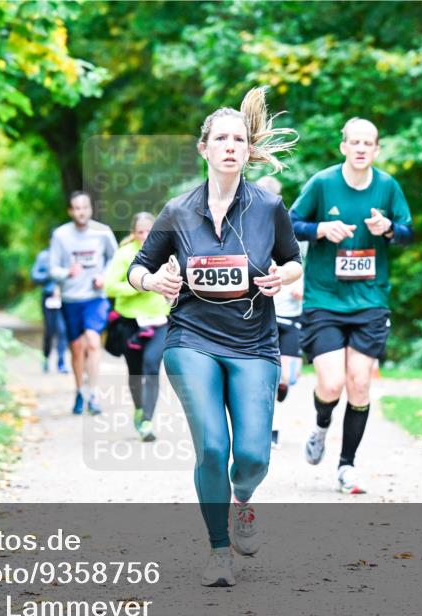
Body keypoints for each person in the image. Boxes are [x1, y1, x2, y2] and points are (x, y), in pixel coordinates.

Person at [128, 88, 302, 587]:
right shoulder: (178, 211)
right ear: (203, 148)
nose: (230, 146)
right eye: (220, 138)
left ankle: (242, 501)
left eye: (238, 139)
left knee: (251, 456)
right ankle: (218, 550)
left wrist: (282, 278)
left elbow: (292, 260)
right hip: (192, 339)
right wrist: (154, 281)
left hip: (253, 342)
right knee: (212, 447)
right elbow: (138, 269)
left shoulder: (269, 206)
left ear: (249, 151)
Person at [290, 117, 413, 495]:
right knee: (332, 383)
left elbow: (408, 234)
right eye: (354, 142)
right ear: (343, 146)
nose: (361, 148)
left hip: (370, 300)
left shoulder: (388, 186)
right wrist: (321, 230)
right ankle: (321, 424)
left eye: (368, 143)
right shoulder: (323, 184)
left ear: (376, 149)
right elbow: (291, 222)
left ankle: (347, 466)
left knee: (359, 385)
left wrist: (388, 229)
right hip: (325, 298)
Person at [49, 191, 118, 415]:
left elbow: (115, 259)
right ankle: (80, 391)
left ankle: (93, 393)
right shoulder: (61, 236)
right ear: (70, 211)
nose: (81, 212)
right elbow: (52, 269)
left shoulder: (102, 232)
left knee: (92, 341)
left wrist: (104, 276)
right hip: (71, 299)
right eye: (77, 208)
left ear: (91, 209)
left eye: (85, 207)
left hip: (95, 298)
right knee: (77, 349)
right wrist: (67, 272)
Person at [104, 212, 171, 442]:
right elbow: (110, 287)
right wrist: (140, 286)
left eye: (149, 231)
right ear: (133, 233)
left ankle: (147, 421)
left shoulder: (165, 252)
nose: (145, 236)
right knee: (135, 372)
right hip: (129, 322)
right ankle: (139, 409)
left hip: (159, 320)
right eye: (140, 232)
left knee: (152, 365)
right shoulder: (124, 255)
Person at [257, 175, 306, 448]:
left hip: (290, 314)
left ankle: (275, 411)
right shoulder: (246, 226)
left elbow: (301, 262)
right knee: (264, 375)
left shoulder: (289, 228)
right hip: (263, 315)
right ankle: (269, 428)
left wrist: (301, 285)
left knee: (284, 378)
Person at [30, 246, 68, 374]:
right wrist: (50, 275)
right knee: (50, 330)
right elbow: (34, 276)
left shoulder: (68, 254)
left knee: (63, 330)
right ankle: (46, 358)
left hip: (66, 297)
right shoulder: (44, 256)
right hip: (49, 297)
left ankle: (61, 362)